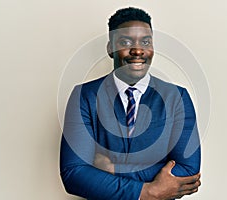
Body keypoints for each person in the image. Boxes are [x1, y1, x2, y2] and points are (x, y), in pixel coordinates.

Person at [60, 7, 201, 200]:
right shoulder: (83, 96)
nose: (137, 50)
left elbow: (188, 170)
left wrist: (113, 169)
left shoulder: (177, 97)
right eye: (126, 41)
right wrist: (147, 192)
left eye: (145, 42)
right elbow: (74, 173)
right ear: (110, 48)